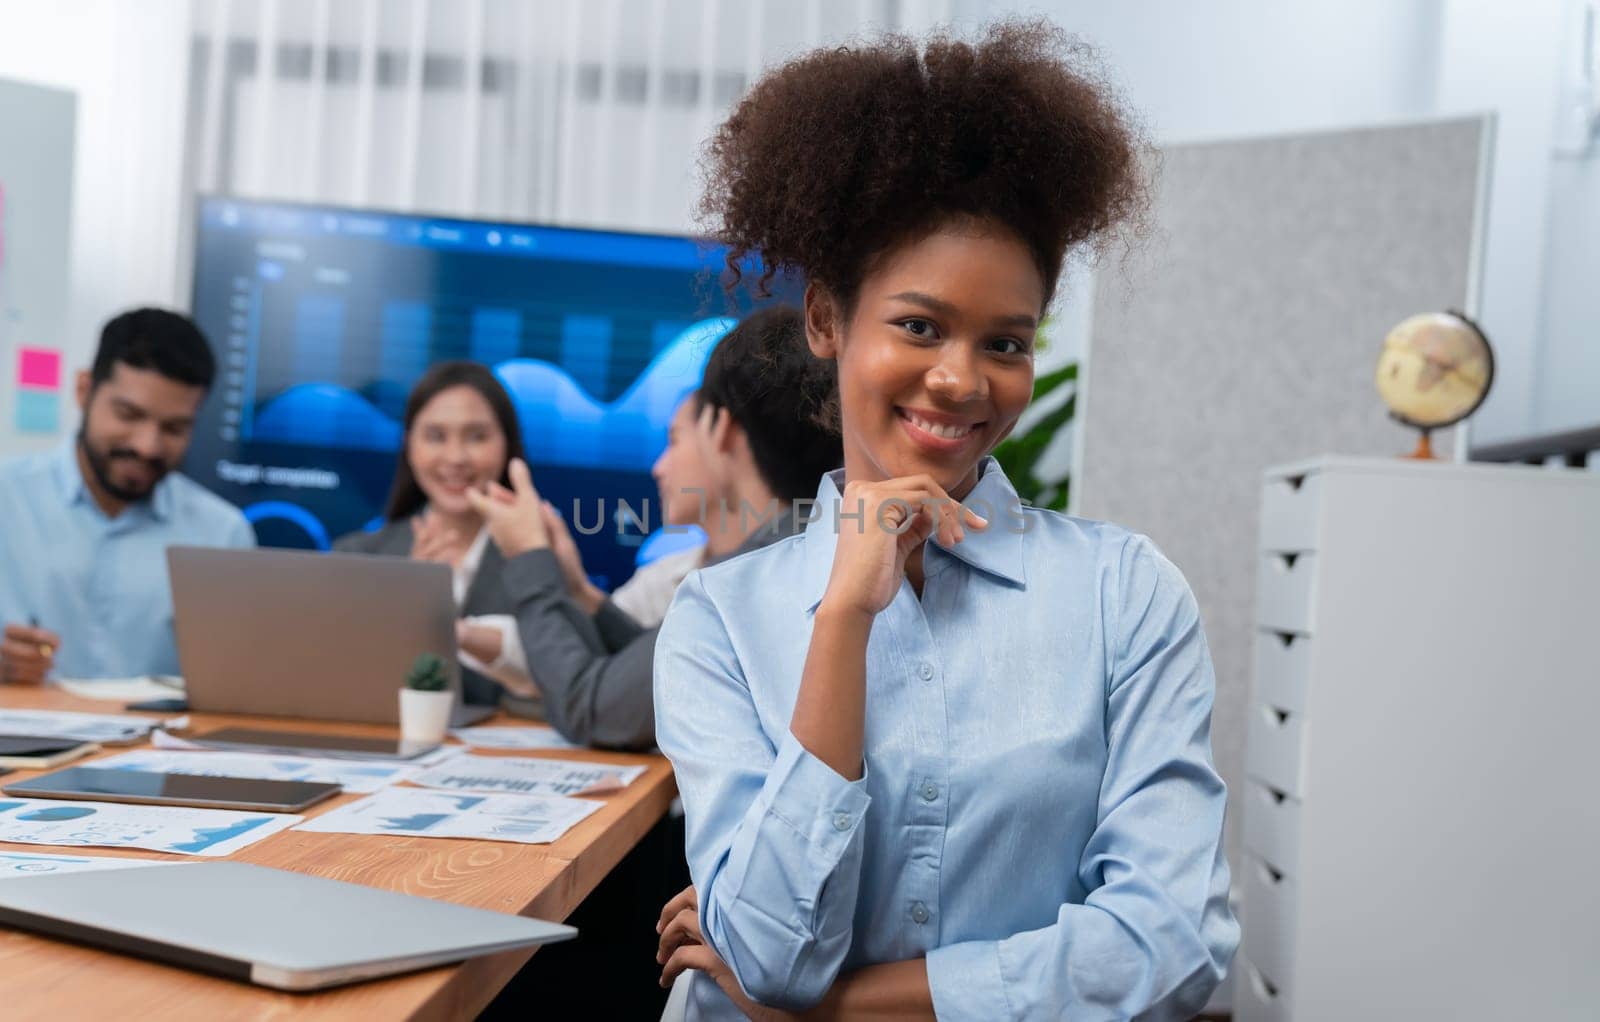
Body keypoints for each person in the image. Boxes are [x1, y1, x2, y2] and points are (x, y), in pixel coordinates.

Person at [651, 22, 1238, 1020]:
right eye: (918, 325)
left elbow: (1168, 942)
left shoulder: (1125, 594)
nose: (962, 379)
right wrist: (840, 618)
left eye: (1005, 341)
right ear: (829, 319)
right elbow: (773, 951)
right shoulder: (718, 618)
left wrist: (829, 1009)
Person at [467, 305, 841, 751]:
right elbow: (664, 664)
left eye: (678, 437)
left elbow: (592, 710)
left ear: (720, 427)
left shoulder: (745, 582)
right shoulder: (813, 549)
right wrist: (582, 597)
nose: (660, 466)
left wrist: (529, 555)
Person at [0, 308, 255, 683]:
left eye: (174, 428)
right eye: (128, 415)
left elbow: (236, 684)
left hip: (159, 741)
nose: (147, 446)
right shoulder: (8, 496)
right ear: (84, 391)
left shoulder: (222, 535)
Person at [333, 360, 533, 707]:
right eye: (436, 436)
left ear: (507, 445)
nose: (455, 457)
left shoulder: (537, 566)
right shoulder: (354, 558)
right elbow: (332, 681)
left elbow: (563, 685)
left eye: (477, 436)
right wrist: (405, 599)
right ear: (409, 444)